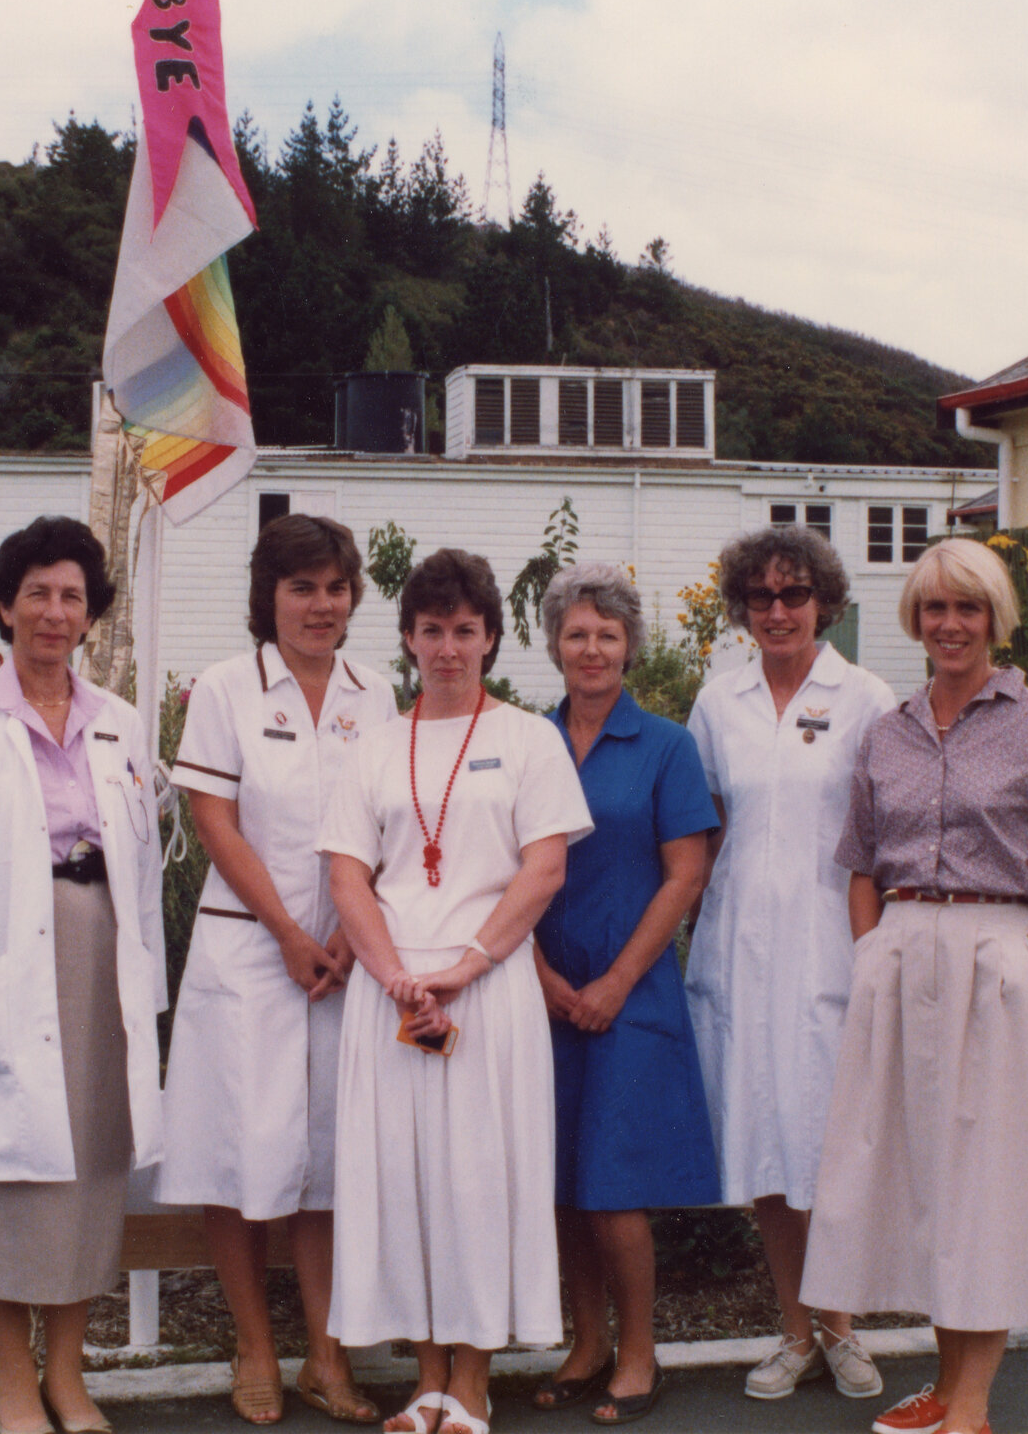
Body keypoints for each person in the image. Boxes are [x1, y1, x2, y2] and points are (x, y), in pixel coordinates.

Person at [802, 536, 1028, 1434]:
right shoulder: (888, 730)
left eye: (969, 608)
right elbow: (861, 860)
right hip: (902, 953)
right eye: (936, 608)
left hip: (1000, 954)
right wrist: (871, 950)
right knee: (919, 1175)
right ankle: (946, 1385)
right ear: (915, 616)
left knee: (988, 1176)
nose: (950, 625)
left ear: (995, 619)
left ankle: (972, 1403)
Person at [0, 516, 167, 1434]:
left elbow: (144, 865)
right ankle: (13, 1379)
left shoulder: (120, 724)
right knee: (3, 1179)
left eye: (73, 597)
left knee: (88, 1173)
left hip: (98, 968)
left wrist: (150, 998)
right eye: (38, 594)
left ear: (91, 617)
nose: (55, 613)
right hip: (4, 966)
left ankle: (68, 1376)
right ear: (6, 606)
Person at [320, 549, 594, 1434]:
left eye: (464, 631)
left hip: (486, 987)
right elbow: (348, 877)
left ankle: (470, 1381)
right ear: (407, 639)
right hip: (393, 991)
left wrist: (465, 966)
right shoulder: (373, 745)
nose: (447, 648)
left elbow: (543, 870)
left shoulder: (526, 739)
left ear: (489, 640)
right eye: (431, 630)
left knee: (478, 1180)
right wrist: (396, 974)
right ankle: (426, 1379)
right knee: (403, 1181)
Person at [159, 515, 396, 1427]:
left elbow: (385, 821)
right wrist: (293, 933)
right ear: (270, 597)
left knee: (330, 1160)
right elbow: (216, 823)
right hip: (252, 955)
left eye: (336, 588)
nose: (321, 606)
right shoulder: (225, 689)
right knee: (240, 1152)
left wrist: (342, 930)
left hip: (349, 956)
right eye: (302, 589)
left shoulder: (375, 694)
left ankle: (326, 1357)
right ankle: (255, 1347)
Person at [682, 527, 896, 1403]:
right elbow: (706, 825)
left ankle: (842, 1327)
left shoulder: (867, 698)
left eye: (794, 595)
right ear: (741, 606)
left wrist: (880, 949)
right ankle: (796, 1331)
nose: (777, 611)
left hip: (833, 946)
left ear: (825, 605)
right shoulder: (718, 699)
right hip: (740, 951)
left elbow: (887, 839)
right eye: (761, 597)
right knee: (767, 1144)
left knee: (829, 1145)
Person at [527, 562, 722, 1426]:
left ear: (631, 646)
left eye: (607, 634)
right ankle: (587, 1342)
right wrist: (540, 980)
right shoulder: (524, 740)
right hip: (538, 996)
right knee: (564, 1181)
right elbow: (497, 873)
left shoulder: (669, 747)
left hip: (629, 995)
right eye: (576, 633)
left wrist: (609, 983)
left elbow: (686, 876)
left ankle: (640, 1350)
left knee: (614, 1187)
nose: (592, 648)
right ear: (553, 644)